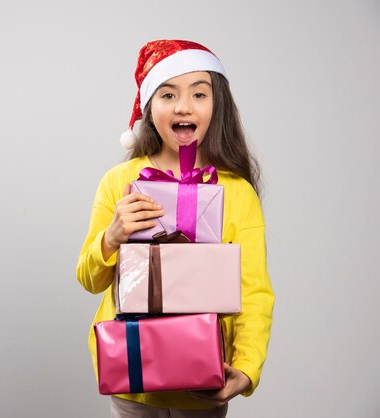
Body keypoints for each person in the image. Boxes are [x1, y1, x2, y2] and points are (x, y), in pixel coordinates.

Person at [76, 39, 274, 417]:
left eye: (199, 94)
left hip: (204, 381)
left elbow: (254, 292)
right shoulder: (120, 181)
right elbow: (89, 278)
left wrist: (246, 370)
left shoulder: (236, 191)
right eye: (168, 94)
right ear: (150, 109)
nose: (184, 106)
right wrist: (112, 236)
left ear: (217, 107)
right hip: (132, 378)